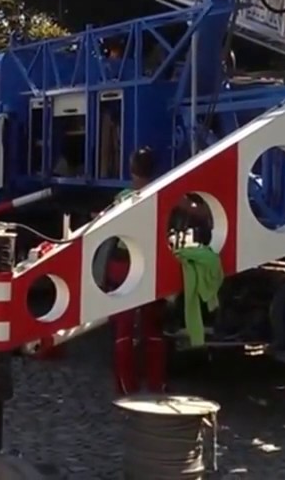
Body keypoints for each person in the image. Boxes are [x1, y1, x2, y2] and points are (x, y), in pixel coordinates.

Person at [105, 147, 169, 395]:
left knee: (124, 326)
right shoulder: (161, 194)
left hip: (123, 264)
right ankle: (156, 383)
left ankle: (126, 386)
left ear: (131, 170)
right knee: (153, 326)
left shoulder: (122, 198)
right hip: (151, 263)